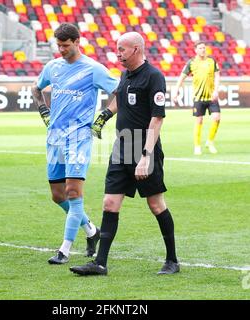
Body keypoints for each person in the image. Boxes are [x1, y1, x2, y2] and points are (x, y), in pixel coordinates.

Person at [70, 32, 179, 276]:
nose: (117, 53)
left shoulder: (154, 77)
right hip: (122, 147)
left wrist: (146, 155)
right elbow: (119, 98)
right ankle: (100, 263)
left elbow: (157, 118)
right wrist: (104, 117)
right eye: (117, 48)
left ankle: (172, 260)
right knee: (110, 203)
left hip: (143, 148)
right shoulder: (125, 74)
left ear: (137, 49)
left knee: (155, 204)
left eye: (122, 49)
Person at [31, 23, 119, 264]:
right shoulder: (53, 67)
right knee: (58, 196)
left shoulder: (93, 69)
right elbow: (36, 89)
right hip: (55, 138)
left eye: (66, 46)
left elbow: (120, 92)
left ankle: (64, 250)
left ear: (77, 42)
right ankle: (92, 231)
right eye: (58, 45)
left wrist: (103, 117)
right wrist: (44, 111)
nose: (61, 50)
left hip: (78, 138)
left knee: (73, 192)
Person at [173, 40, 221, 155]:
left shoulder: (212, 61)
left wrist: (216, 90)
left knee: (217, 118)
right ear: (195, 50)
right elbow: (182, 77)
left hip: (211, 96)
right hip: (198, 97)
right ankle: (197, 146)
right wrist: (176, 91)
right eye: (200, 48)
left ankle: (210, 142)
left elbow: (217, 76)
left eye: (204, 47)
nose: (203, 50)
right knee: (199, 120)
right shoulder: (191, 63)